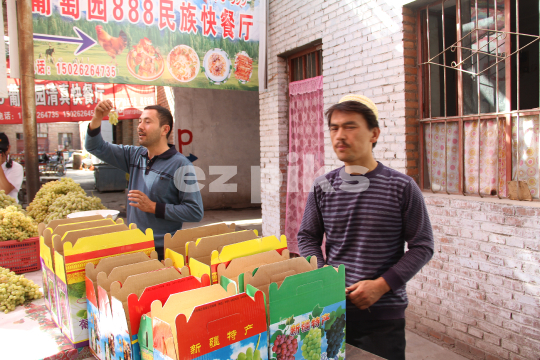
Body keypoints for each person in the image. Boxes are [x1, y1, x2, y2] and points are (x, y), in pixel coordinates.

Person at [297, 94, 434, 360]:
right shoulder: (323, 186)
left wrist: (381, 285)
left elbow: (423, 245)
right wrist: (324, 274)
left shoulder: (402, 187)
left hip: (382, 317)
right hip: (332, 310)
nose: (339, 136)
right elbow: (307, 236)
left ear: (374, 134)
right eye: (334, 128)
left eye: (350, 126)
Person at [85, 100, 204, 259]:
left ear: (164, 129)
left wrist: (154, 207)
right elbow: (95, 147)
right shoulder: (134, 156)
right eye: (140, 121)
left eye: (147, 122)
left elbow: (194, 211)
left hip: (163, 252)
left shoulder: (181, 165)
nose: (140, 126)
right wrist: (97, 117)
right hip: (134, 245)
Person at [0, 133, 24, 204]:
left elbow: (4, 191)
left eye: (1, 150)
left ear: (8, 148)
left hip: (7, 210)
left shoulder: (16, 168)